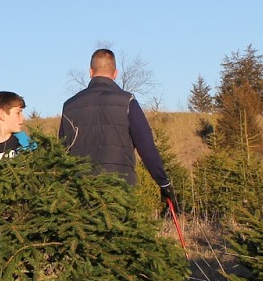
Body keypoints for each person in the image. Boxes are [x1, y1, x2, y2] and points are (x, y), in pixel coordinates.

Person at [59, 48, 178, 212]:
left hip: (81, 193)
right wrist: (164, 183)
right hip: (120, 190)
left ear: (90, 72)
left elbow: (62, 153)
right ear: (115, 73)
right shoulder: (127, 102)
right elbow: (147, 148)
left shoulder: (69, 106)